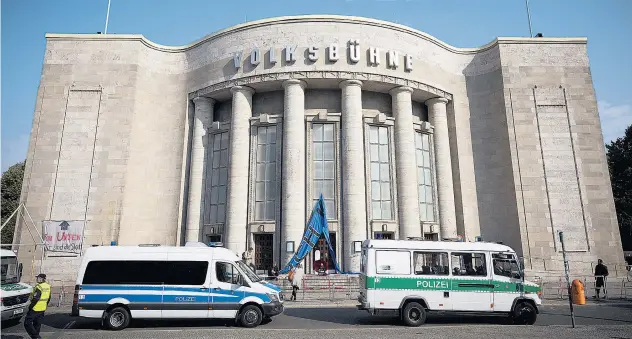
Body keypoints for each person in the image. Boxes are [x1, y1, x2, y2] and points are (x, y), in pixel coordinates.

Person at [24, 273, 51, 339]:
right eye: (37, 278)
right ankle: (35, 337)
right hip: (42, 308)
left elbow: (35, 298)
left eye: (39, 278)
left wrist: (30, 307)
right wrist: (45, 305)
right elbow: (49, 298)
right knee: (37, 324)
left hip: (35, 308)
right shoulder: (48, 286)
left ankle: (36, 336)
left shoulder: (39, 287)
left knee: (27, 323)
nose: (37, 279)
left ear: (43, 279)